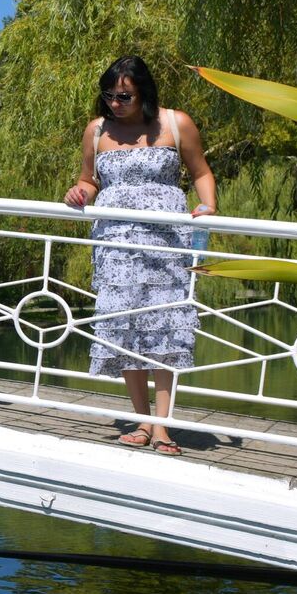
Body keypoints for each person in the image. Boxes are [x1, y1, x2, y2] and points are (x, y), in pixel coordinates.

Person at [61, 54, 216, 455]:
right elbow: (88, 178)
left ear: (143, 92)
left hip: (167, 243)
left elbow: (200, 171)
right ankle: (143, 421)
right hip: (116, 246)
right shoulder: (97, 130)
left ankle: (163, 425)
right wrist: (80, 192)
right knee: (125, 326)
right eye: (109, 95)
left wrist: (208, 208)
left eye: (124, 96)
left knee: (164, 327)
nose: (115, 102)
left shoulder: (175, 123)